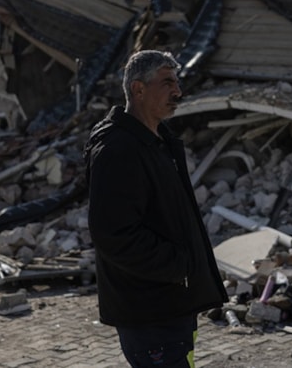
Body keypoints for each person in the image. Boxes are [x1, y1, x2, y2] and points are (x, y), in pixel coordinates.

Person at [84, 50, 228, 367]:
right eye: (167, 82)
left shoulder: (157, 141)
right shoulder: (118, 149)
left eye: (176, 82)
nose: (177, 91)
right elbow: (113, 233)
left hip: (171, 305)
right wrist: (178, 267)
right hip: (150, 311)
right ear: (138, 89)